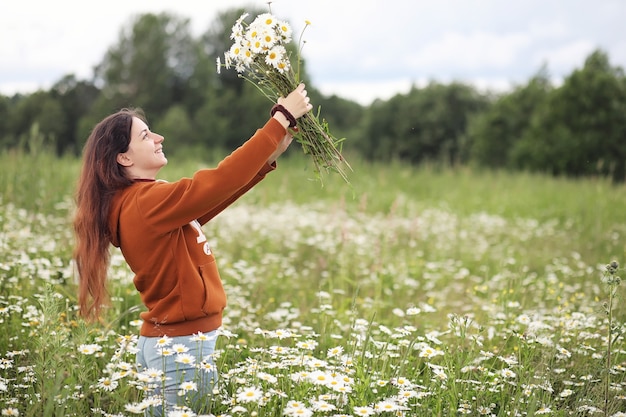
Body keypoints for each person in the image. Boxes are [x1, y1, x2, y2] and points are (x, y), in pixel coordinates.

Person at [73, 83, 313, 415]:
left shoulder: (143, 200)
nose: (159, 138)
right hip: (180, 349)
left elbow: (209, 200)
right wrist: (280, 119)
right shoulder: (145, 202)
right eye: (145, 136)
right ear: (123, 157)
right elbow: (217, 181)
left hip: (175, 346)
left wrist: (265, 159)